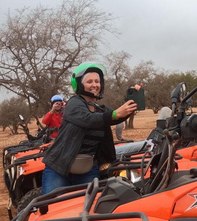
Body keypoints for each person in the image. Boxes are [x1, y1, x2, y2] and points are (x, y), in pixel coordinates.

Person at [41, 63, 137, 194]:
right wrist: (114, 114)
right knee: (52, 207)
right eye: (90, 81)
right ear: (79, 84)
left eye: (97, 81)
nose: (95, 85)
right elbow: (88, 119)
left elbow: (116, 117)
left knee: (89, 208)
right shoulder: (74, 104)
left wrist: (132, 102)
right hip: (59, 167)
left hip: (87, 168)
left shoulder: (100, 109)